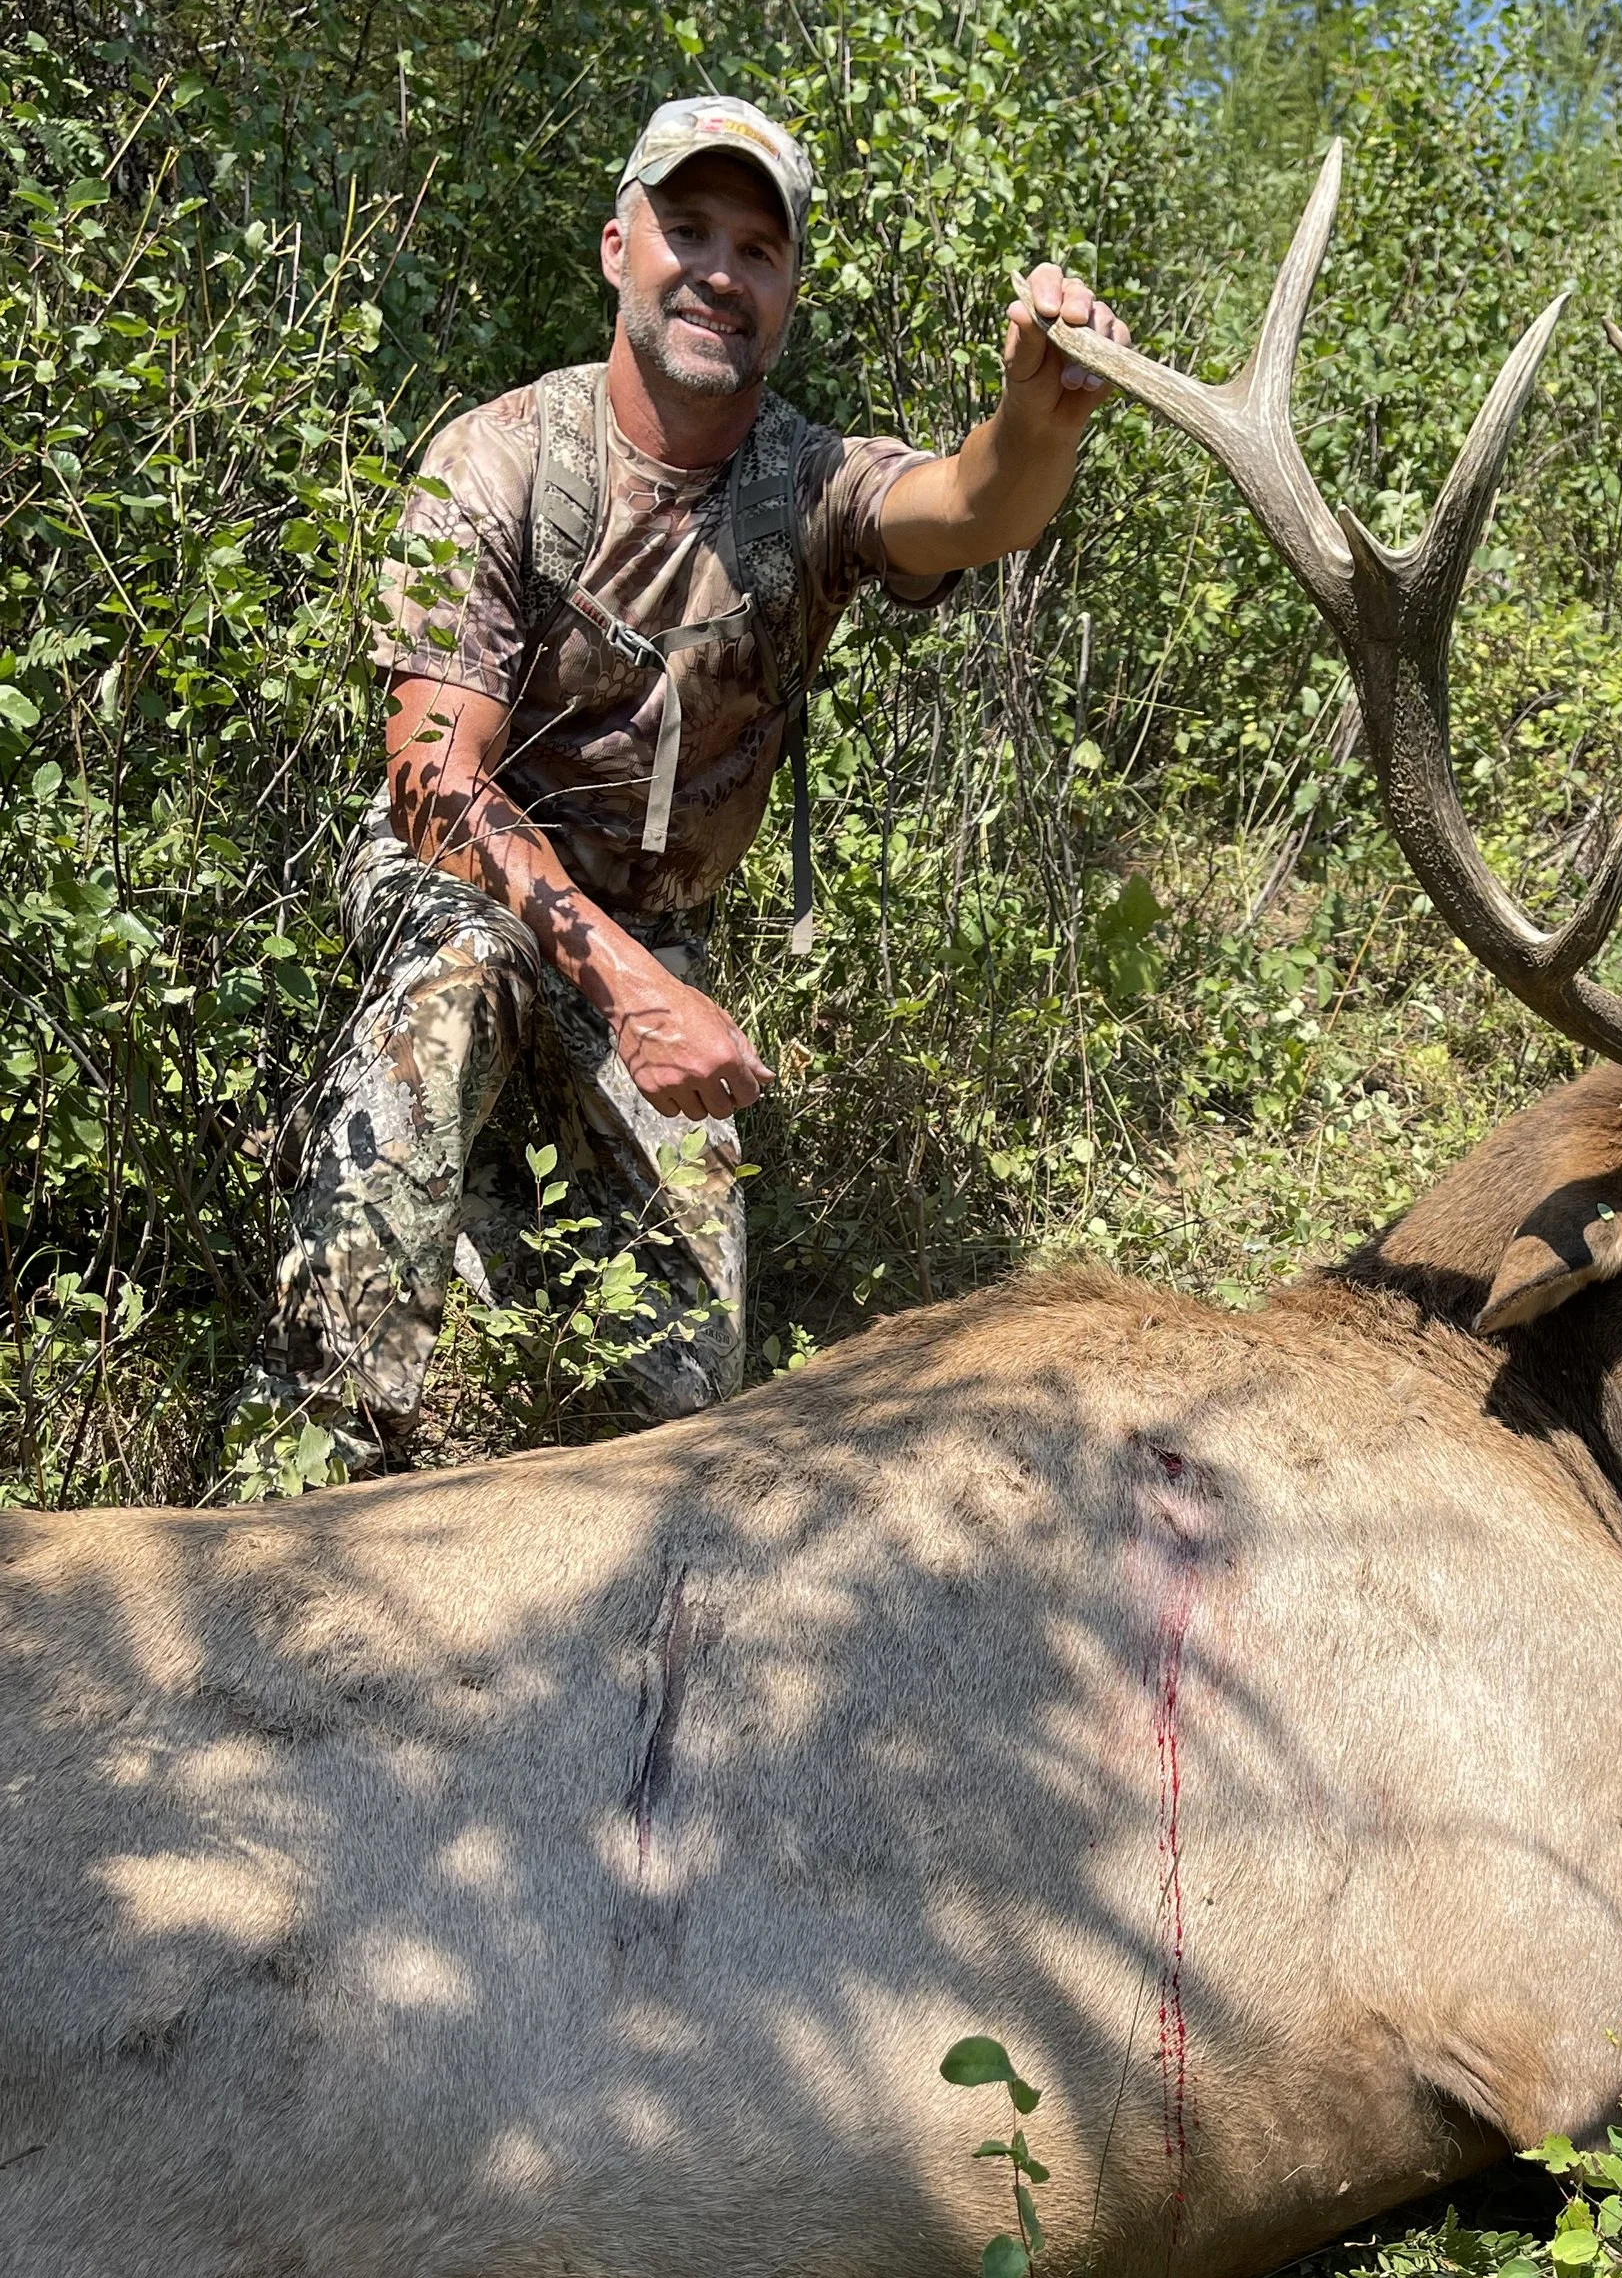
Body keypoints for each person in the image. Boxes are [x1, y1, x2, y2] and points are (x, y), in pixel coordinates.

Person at [232, 96, 1129, 1475]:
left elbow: (970, 506)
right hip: (463, 881)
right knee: (462, 980)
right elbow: (430, 777)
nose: (720, 270)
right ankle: (301, 1462)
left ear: (787, 293)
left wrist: (1038, 415)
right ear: (614, 248)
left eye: (758, 248)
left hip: (651, 922)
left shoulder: (811, 483)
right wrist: (633, 987)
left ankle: (483, 1247)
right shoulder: (502, 462)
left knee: (689, 1396)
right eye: (687, 229)